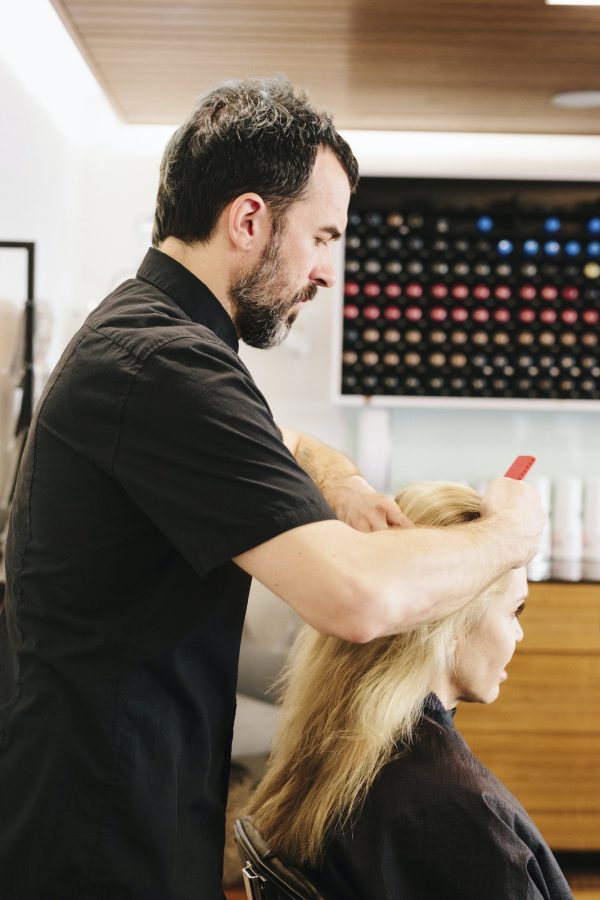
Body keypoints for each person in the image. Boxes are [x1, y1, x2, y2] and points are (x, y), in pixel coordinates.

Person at [0, 77, 544, 900]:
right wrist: (508, 536)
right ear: (250, 220)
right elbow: (356, 599)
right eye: (323, 236)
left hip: (114, 800)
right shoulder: (166, 365)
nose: (327, 272)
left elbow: (282, 439)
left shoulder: (155, 337)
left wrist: (342, 481)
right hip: (100, 839)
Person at [248, 481, 572, 900]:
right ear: (451, 622)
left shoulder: (335, 759)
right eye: (515, 611)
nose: (519, 634)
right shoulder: (449, 812)